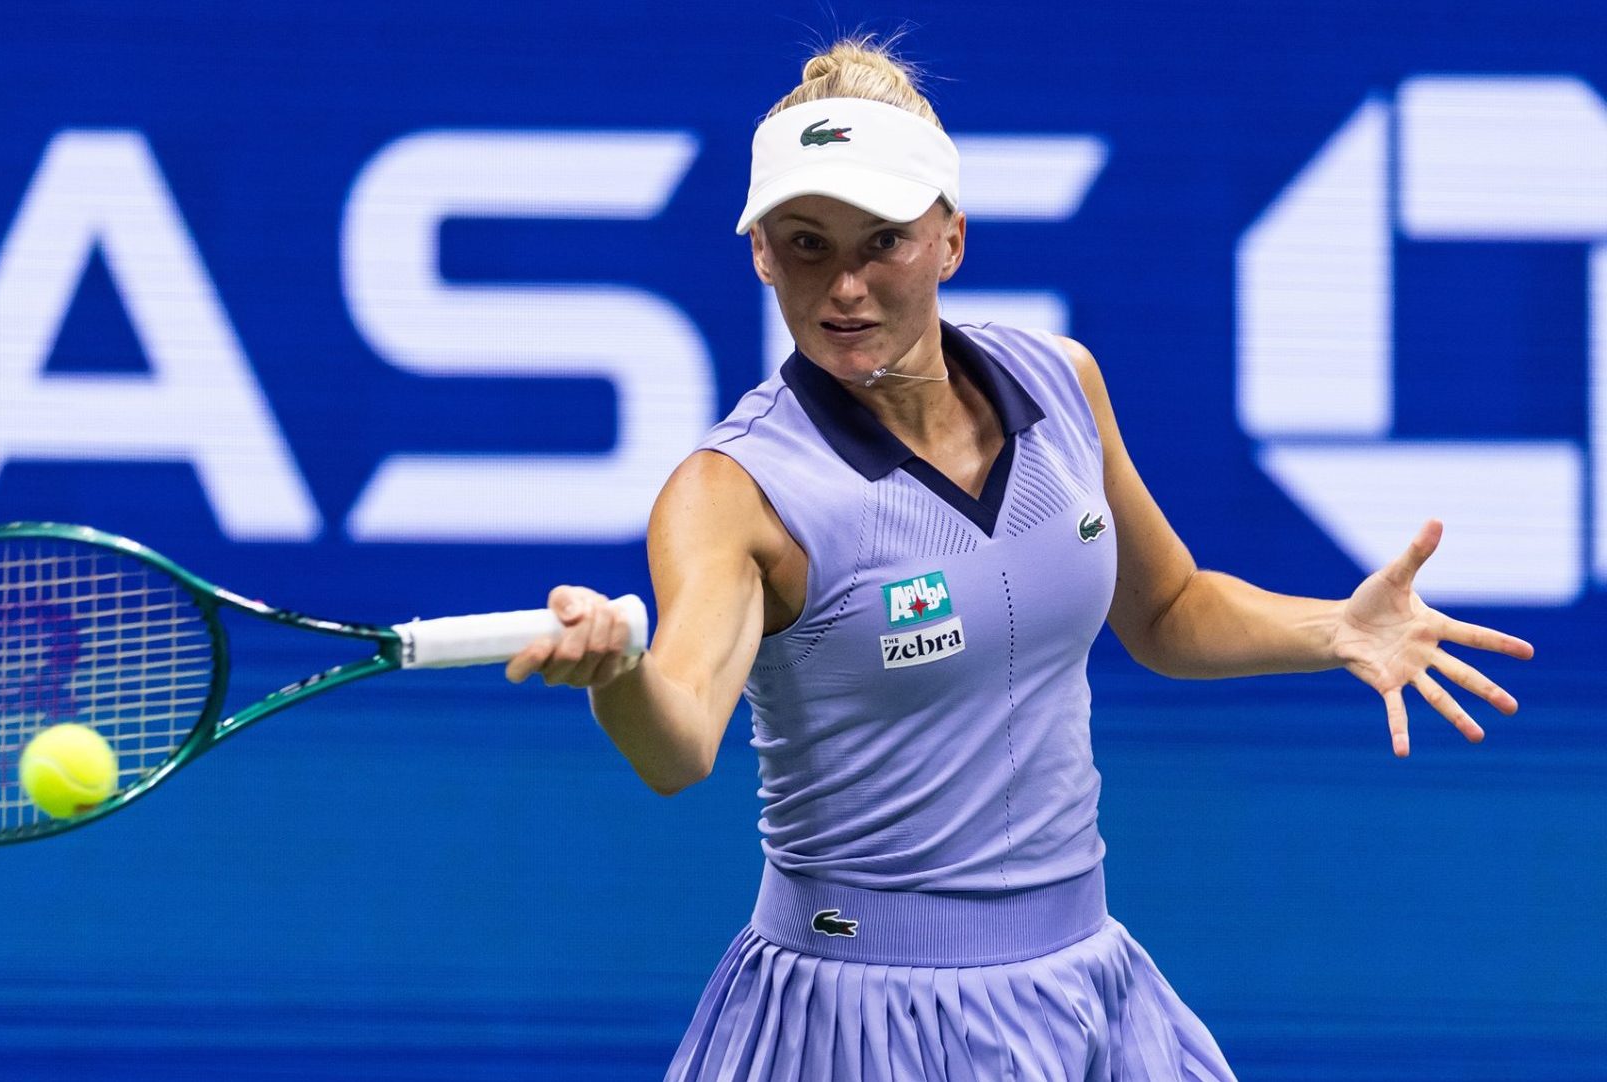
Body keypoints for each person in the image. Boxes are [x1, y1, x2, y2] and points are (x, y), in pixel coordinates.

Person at [505, 36, 1535, 1082]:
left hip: (1085, 987)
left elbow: (1167, 607)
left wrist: (1336, 628)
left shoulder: (1061, 383)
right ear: (762, 251)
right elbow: (676, 742)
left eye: (885, 240)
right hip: (860, 1019)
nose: (847, 285)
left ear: (950, 239)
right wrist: (619, 673)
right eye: (807, 243)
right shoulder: (735, 490)